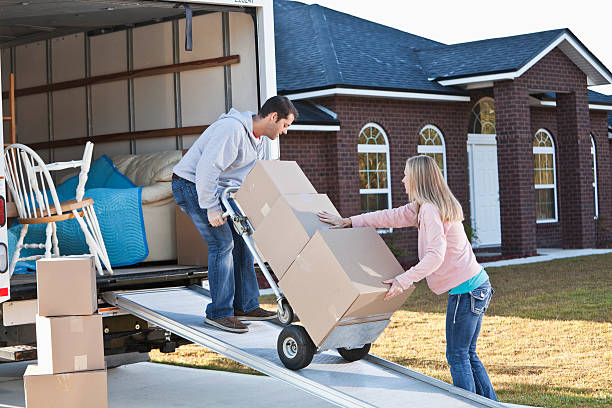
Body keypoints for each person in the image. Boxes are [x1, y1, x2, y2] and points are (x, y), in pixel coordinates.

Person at [318, 155, 497, 401]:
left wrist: (403, 280)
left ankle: (468, 404)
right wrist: (350, 221)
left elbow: (435, 256)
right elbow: (388, 216)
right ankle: (491, 404)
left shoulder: (431, 210)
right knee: (468, 353)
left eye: (406, 175)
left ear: (417, 179)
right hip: (477, 287)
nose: (402, 179)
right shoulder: (425, 207)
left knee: (457, 355)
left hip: (467, 292)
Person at [172, 96, 298, 333]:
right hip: (191, 185)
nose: (285, 132)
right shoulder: (232, 130)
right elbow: (207, 169)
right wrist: (210, 207)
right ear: (273, 117)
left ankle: (246, 306)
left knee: (243, 239)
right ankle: (219, 313)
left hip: (221, 191)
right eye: (285, 125)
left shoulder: (256, 140)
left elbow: (243, 180)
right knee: (222, 242)